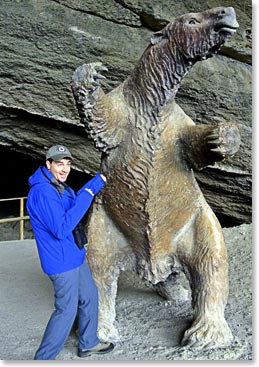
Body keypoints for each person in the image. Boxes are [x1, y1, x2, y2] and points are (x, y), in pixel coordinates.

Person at [26, 144, 114, 360]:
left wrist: (96, 183)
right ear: (48, 164)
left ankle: (88, 343)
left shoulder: (58, 186)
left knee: (90, 296)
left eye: (67, 164)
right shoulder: (43, 192)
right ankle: (42, 360)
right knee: (66, 311)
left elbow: (74, 204)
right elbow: (61, 228)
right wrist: (91, 190)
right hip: (61, 264)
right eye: (59, 164)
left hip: (74, 256)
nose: (65, 169)